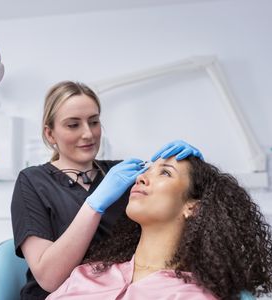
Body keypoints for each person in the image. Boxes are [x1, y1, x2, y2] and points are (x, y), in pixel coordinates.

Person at [11, 80, 203, 299]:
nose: (88, 134)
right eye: (73, 125)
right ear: (50, 134)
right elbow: (49, 278)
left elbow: (180, 211)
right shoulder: (33, 181)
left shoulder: (125, 175)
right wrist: (94, 205)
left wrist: (195, 174)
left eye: (93, 122)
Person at [46, 155, 272, 300]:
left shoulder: (193, 295)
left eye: (165, 173)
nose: (141, 179)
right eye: (146, 171)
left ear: (193, 207)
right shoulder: (87, 274)